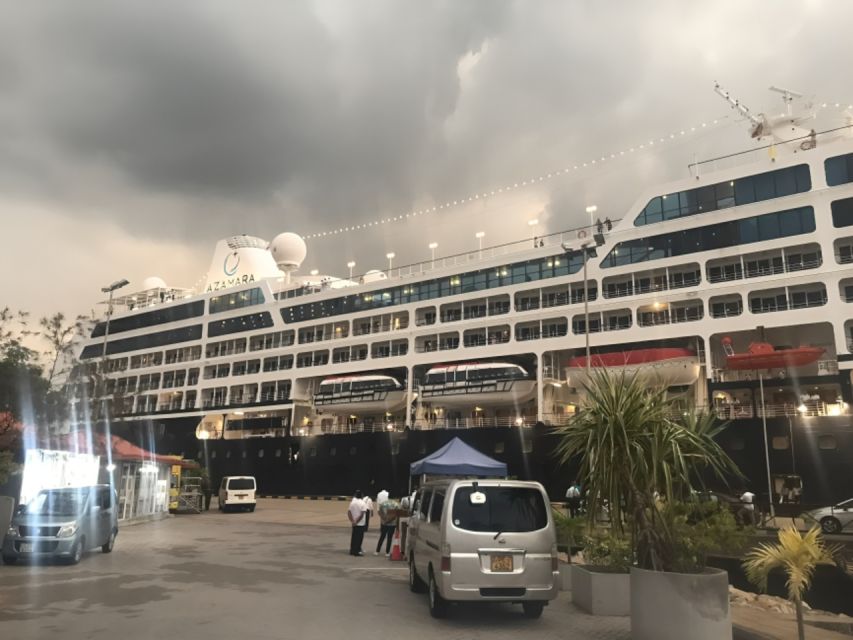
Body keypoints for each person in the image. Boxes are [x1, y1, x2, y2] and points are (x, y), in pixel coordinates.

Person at [348, 490, 367, 556]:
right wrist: (357, 521)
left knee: (354, 537)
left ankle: (352, 550)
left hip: (354, 523)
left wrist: (352, 521)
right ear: (361, 496)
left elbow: (349, 512)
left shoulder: (352, 503)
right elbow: (362, 514)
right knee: (359, 538)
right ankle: (357, 550)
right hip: (360, 523)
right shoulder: (363, 503)